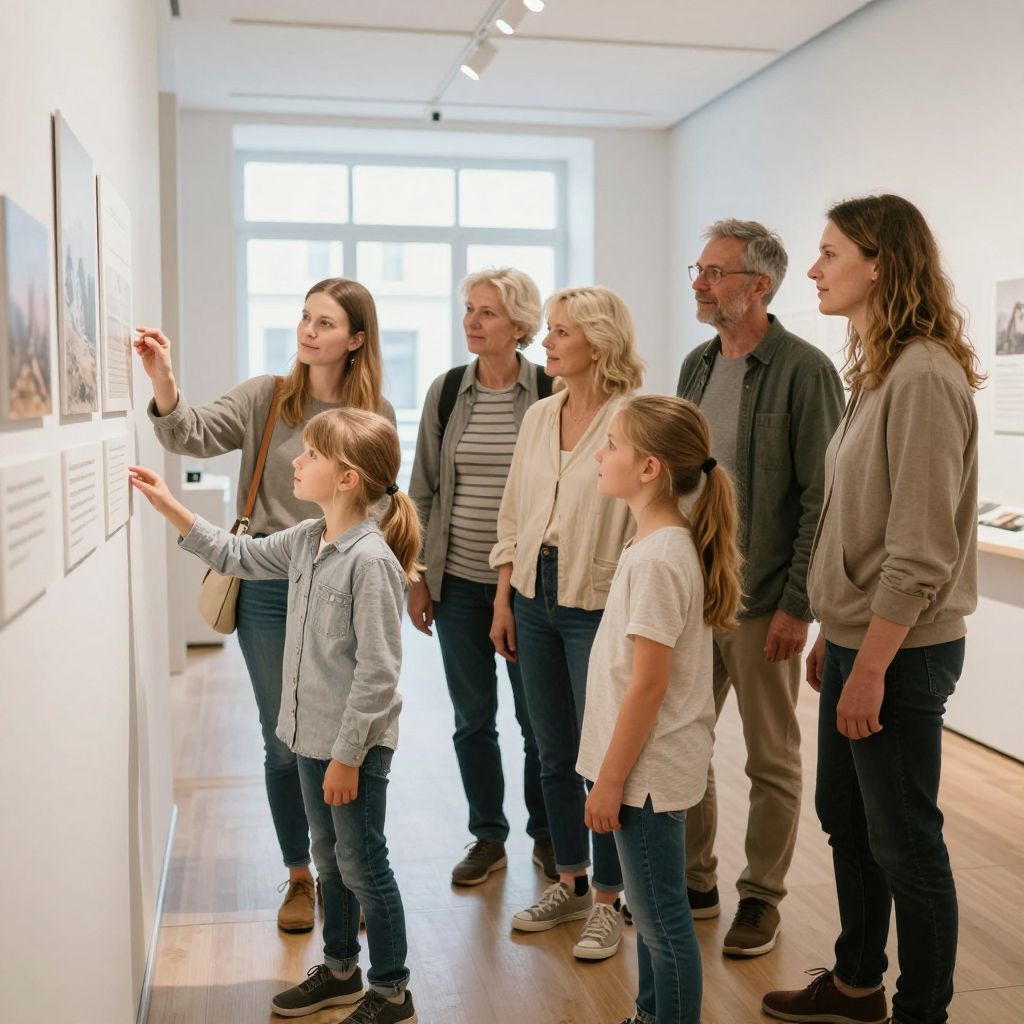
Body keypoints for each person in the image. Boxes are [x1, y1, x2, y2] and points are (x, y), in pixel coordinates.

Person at [762, 195, 981, 1024]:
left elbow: (919, 549)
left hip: (904, 651)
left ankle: (924, 1011)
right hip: (863, 641)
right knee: (847, 822)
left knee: (906, 844)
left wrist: (875, 662)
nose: (813, 271)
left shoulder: (923, 374)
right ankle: (857, 986)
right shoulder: (880, 368)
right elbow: (859, 521)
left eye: (828, 254)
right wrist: (834, 632)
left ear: (880, 263)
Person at [130, 408, 420, 1024]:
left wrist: (346, 757)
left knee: (363, 864)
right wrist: (168, 506)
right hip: (309, 739)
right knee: (328, 859)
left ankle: (392, 990)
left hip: (352, 750)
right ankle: (341, 970)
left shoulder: (370, 562)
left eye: (311, 454)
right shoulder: (306, 539)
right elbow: (236, 554)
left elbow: (378, 676)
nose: (296, 460)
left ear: (346, 479)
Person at [135, 279, 395, 934]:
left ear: (356, 339)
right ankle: (302, 877)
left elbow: (381, 505)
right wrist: (164, 379)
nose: (309, 331)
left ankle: (353, 875)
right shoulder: (267, 398)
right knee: (286, 742)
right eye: (305, 318)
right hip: (268, 590)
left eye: (326, 323)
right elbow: (188, 435)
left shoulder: (377, 411)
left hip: (338, 587)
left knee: (346, 739)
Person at [676, 220, 845, 956]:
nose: (700, 283)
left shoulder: (805, 371)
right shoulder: (695, 365)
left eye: (714, 272)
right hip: (691, 594)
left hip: (764, 599)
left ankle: (762, 897)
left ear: (758, 285)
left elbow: (823, 498)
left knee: (770, 757)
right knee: (681, 740)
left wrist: (797, 607)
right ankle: (695, 880)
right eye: (699, 269)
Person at [491, 286, 645, 961]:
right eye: (548, 331)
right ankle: (572, 882)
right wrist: (503, 596)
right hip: (532, 593)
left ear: (599, 343)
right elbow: (513, 511)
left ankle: (613, 899)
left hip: (598, 601)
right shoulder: (539, 415)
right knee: (550, 751)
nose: (545, 344)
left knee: (601, 759)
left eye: (560, 333)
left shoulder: (633, 419)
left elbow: (651, 513)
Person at [579, 395, 743, 1024]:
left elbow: (648, 685)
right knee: (648, 920)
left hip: (641, 779)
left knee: (662, 922)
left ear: (649, 468)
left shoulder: (659, 558)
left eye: (613, 445)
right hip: (638, 773)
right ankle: (650, 1014)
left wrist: (612, 781)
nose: (600, 454)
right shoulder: (656, 544)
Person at [408, 268, 556, 886]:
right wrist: (417, 576)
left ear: (520, 326)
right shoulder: (447, 392)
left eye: (488, 313)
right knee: (473, 718)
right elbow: (421, 490)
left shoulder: (551, 392)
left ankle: (549, 837)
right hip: (459, 580)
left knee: (539, 720)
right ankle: (487, 836)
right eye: (469, 309)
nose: (472, 321)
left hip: (529, 585)